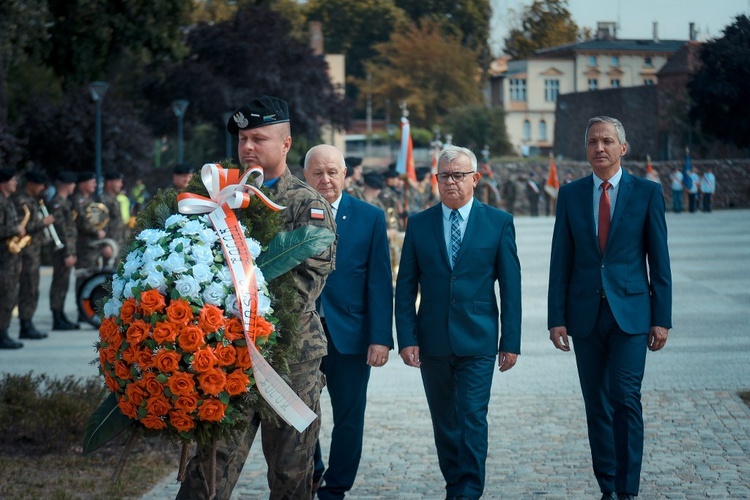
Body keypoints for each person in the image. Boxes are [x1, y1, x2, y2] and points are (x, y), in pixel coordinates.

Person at [177, 95, 336, 500]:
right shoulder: (218, 200)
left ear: (285, 144)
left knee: (290, 475)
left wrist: (234, 308)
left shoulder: (306, 206)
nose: (247, 147)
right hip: (227, 360)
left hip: (289, 363)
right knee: (208, 473)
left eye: (258, 138)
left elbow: (302, 287)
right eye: (242, 138)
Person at [548, 116, 672, 500]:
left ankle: (627, 488)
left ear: (623, 148)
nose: (599, 148)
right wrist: (557, 318)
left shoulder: (647, 193)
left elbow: (660, 260)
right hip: (585, 317)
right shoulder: (570, 194)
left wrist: (662, 318)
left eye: (606, 141)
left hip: (632, 315)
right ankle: (608, 487)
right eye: (592, 142)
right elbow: (560, 261)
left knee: (624, 397)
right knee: (596, 406)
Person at [395, 145, 522, 500]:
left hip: (479, 341)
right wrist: (407, 338)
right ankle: (454, 484)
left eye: (458, 175)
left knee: (472, 418)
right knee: (445, 423)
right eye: (444, 175)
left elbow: (511, 288)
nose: (450, 182)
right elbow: (405, 286)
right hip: (432, 340)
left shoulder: (498, 223)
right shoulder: (419, 224)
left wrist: (510, 342)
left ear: (475, 179)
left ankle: (467, 491)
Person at [302, 144, 393, 499]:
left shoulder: (369, 217)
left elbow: (380, 281)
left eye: (332, 172)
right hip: (302, 333)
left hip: (351, 335)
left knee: (349, 417)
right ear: (305, 176)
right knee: (299, 413)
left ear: (345, 174)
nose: (325, 180)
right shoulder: (290, 214)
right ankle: (311, 469)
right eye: (317, 173)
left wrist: (380, 337)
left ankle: (335, 488)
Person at [14, 170, 55, 340]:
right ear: (30, 184)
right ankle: (25, 325)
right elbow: (22, 228)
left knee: (32, 289)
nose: (42, 188)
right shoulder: (20, 201)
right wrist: (43, 223)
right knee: (27, 289)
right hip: (26, 252)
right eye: (39, 185)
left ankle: (28, 322)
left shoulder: (33, 201)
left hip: (34, 251)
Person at [72, 171, 113, 304]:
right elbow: (81, 222)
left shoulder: (91, 201)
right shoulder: (77, 201)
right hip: (84, 246)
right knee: (83, 278)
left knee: (92, 279)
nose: (95, 184)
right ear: (83, 183)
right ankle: (81, 308)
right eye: (92, 181)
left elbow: (98, 220)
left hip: (94, 246)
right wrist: (96, 232)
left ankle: (88, 307)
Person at [48, 171, 79, 330]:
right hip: (61, 252)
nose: (74, 187)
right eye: (73, 183)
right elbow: (61, 231)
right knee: (59, 284)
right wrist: (68, 253)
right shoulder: (57, 203)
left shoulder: (65, 202)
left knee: (63, 284)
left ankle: (60, 315)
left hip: (67, 250)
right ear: (67, 184)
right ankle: (57, 317)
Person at [0, 168, 26, 349]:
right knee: (5, 297)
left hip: (10, 258)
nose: (15, 183)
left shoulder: (7, 201)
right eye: (12, 180)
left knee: (10, 296)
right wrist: (15, 230)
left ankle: (4, 332)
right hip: (3, 260)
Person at [100, 171, 126, 261]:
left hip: (117, 244)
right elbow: (101, 225)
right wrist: (106, 244)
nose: (121, 184)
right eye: (118, 181)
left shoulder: (114, 200)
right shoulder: (103, 201)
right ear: (109, 183)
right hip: (110, 247)